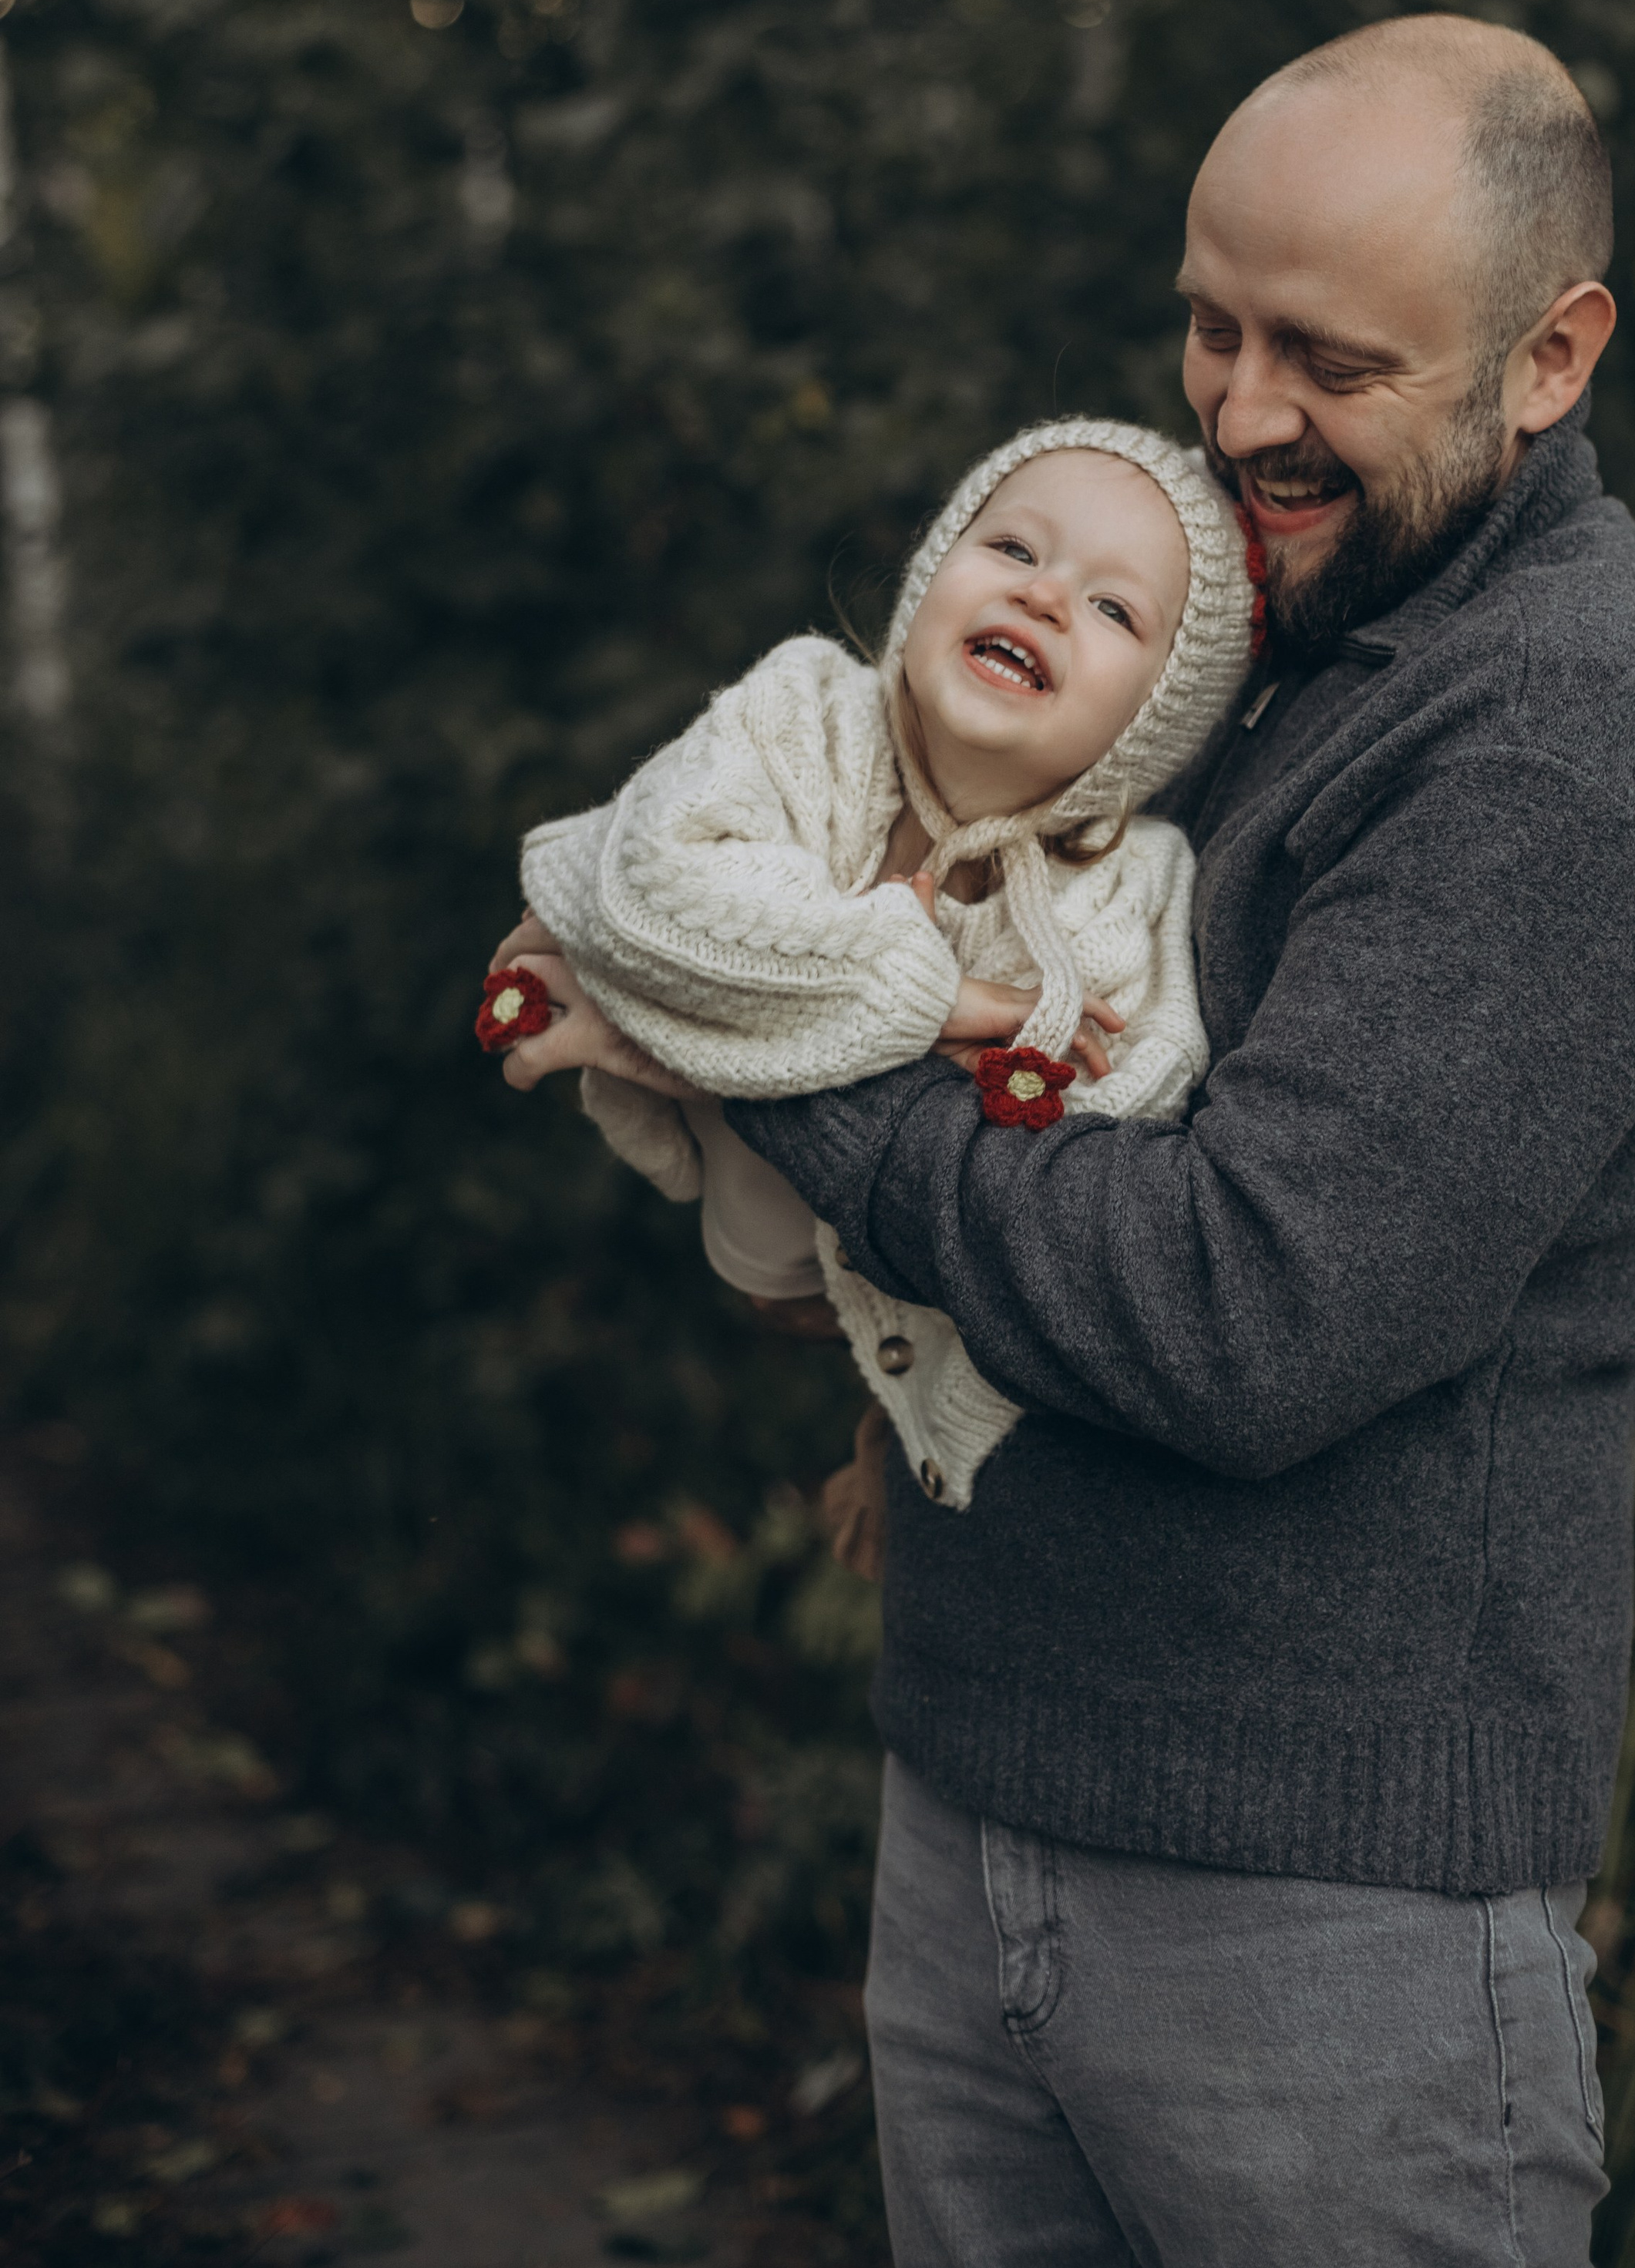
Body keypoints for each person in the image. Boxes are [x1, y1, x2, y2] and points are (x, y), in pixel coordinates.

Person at [711, 15, 1635, 2268]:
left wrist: (766, 1021)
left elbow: (1243, 1311)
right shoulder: (1234, 625)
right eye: (1211, 324)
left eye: (1331, 360)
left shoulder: (1564, 718)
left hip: (1324, 1919)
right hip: (980, 1790)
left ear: (1552, 356)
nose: (1239, 413)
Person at [482, 419, 1254, 1519]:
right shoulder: (805, 714)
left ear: (1154, 719)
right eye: (1015, 550)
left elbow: (1119, 1120)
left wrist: (735, 1032)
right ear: (938, 565)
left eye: (1113, 608)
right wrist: (943, 1006)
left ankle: (874, 1454)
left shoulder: (1137, 885)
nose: (1043, 598)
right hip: (757, 1236)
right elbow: (652, 885)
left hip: (923, 1310)